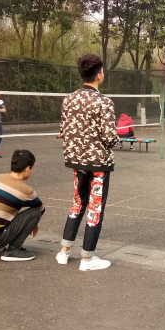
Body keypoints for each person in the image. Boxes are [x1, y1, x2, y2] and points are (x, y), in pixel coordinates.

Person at [56, 54, 118, 271]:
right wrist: (116, 139)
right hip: (98, 163)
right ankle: (87, 259)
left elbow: (63, 130)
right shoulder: (104, 102)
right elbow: (109, 138)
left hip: (76, 161)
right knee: (95, 207)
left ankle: (64, 251)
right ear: (99, 74)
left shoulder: (69, 99)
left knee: (77, 203)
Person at [0, 149, 44, 261]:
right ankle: (13, 250)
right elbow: (40, 207)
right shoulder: (26, 190)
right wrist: (34, 224)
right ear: (28, 168)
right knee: (36, 211)